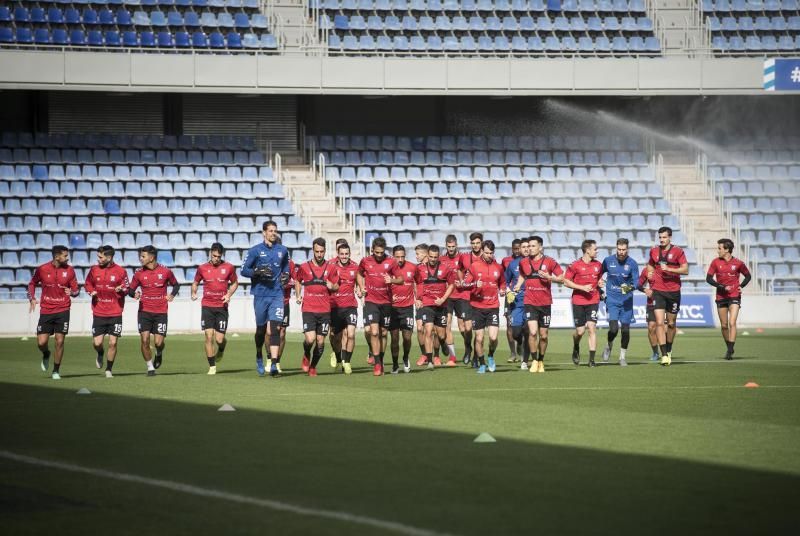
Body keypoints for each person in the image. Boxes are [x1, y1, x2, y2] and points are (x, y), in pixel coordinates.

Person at [241, 220, 290, 377]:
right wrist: (256, 272)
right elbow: (243, 270)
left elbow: (286, 268)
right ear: (264, 232)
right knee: (261, 331)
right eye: (270, 231)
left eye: (275, 230)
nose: (273, 233)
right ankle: (258, 354)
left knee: (275, 328)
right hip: (260, 295)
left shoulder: (283, 250)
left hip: (277, 294)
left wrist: (286, 275)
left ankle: (274, 364)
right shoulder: (255, 251)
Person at [28, 245, 80, 380]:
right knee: (41, 342)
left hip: (63, 309)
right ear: (57, 256)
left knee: (59, 341)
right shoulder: (42, 269)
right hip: (46, 310)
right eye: (65, 256)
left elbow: (76, 289)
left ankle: (56, 371)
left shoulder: (70, 270)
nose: (67, 258)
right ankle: (46, 354)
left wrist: (73, 293)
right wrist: (32, 298)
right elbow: (32, 283)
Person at [513, 235, 563, 373]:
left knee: (544, 335)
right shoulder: (523, 262)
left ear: (540, 247)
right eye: (528, 246)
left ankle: (541, 360)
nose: (530, 248)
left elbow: (561, 277)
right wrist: (518, 285)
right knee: (533, 332)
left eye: (533, 246)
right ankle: (534, 360)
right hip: (530, 302)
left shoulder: (550, 262)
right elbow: (523, 275)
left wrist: (549, 277)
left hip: (545, 303)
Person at [128, 245, 180, 376]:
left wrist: (172, 295)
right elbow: (130, 289)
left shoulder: (166, 272)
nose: (140, 258)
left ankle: (159, 352)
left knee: (158, 342)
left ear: (151, 258)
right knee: (144, 340)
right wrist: (134, 294)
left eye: (143, 256)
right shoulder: (139, 273)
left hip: (161, 312)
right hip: (144, 311)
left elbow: (176, 285)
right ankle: (150, 367)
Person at [191, 242, 239, 375]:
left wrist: (228, 294)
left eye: (218, 256)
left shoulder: (229, 267)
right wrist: (193, 293)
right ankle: (212, 366)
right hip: (207, 306)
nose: (216, 258)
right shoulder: (202, 268)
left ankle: (222, 348)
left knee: (219, 339)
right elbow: (195, 283)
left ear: (222, 255)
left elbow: (235, 283)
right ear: (210, 254)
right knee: (208, 336)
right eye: (214, 256)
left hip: (222, 307)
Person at [294, 238, 339, 377]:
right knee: (310, 339)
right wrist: (298, 294)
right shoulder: (304, 267)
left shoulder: (331, 267)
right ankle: (306, 354)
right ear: (313, 251)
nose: (319, 254)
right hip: (308, 308)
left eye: (322, 251)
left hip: (325, 310)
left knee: (320, 342)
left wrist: (333, 286)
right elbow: (297, 280)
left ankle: (313, 366)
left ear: (325, 251)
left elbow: (337, 285)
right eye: (317, 251)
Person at [645, 226, 689, 366]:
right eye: (660, 237)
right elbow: (650, 265)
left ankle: (669, 349)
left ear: (670, 237)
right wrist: (650, 273)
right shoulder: (654, 251)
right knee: (659, 322)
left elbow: (685, 269)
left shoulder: (678, 251)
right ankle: (663, 354)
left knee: (671, 324)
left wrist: (669, 268)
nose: (662, 240)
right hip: (658, 290)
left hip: (674, 292)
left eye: (664, 237)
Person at [84, 245, 129, 378]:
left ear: (109, 257)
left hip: (115, 312)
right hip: (99, 312)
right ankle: (100, 353)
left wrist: (122, 289)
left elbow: (127, 287)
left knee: (113, 342)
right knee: (97, 343)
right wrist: (91, 291)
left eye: (101, 257)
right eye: (98, 256)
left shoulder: (121, 271)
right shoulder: (93, 270)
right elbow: (87, 283)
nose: (98, 259)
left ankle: (109, 369)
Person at [462, 240, 506, 374]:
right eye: (486, 253)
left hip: (493, 306)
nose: (489, 255)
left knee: (493, 338)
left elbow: (502, 283)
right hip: (477, 307)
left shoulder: (498, 267)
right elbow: (464, 284)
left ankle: (491, 356)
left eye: (491, 253)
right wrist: (475, 284)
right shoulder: (474, 266)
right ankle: (481, 364)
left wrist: (503, 290)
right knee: (479, 338)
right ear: (482, 251)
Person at [706, 238, 751, 360]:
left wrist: (741, 286)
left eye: (719, 248)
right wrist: (721, 286)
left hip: (734, 295)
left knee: (732, 323)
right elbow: (708, 278)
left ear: (727, 249)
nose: (718, 251)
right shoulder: (715, 262)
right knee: (724, 325)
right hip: (721, 296)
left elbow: (748, 276)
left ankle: (730, 350)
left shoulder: (738, 263)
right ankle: (729, 347)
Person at [357, 236, 396, 376]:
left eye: (382, 252)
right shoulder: (365, 261)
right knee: (374, 332)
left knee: (384, 332)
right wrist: (361, 287)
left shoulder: (391, 261)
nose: (379, 255)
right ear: (372, 250)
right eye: (377, 252)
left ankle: (381, 359)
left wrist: (392, 280)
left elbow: (401, 279)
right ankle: (378, 364)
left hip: (386, 301)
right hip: (371, 301)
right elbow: (359, 274)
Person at [414, 245, 456, 370]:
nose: (432, 259)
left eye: (435, 257)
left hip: (441, 305)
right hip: (427, 304)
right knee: (428, 330)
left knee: (441, 334)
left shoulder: (445, 268)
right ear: (427, 255)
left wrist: (443, 299)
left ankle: (442, 345)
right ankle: (430, 360)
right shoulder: (420, 269)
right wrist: (417, 299)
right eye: (431, 256)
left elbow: (452, 285)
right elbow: (415, 284)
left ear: (439, 256)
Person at [563, 240, 604, 367]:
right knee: (580, 332)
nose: (597, 251)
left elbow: (600, 280)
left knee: (592, 328)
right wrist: (582, 287)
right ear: (587, 250)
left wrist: (600, 284)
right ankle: (576, 345)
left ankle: (591, 360)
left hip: (593, 300)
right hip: (578, 301)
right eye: (595, 249)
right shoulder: (574, 265)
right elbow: (566, 282)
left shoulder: (598, 265)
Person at [601, 238, 639, 367]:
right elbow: (597, 274)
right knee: (613, 329)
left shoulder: (632, 263)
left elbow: (636, 282)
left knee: (626, 330)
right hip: (612, 299)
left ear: (627, 249)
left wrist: (628, 288)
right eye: (619, 249)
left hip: (627, 301)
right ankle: (609, 345)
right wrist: (599, 282)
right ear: (616, 248)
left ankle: (622, 357)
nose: (621, 252)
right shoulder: (608, 261)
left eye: (624, 250)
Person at [454, 232, 484, 366]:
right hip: (466, 296)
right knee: (467, 328)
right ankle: (468, 348)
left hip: (481, 299)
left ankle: (477, 358)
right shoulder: (464, 257)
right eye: (473, 243)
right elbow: (459, 269)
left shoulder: (487, 257)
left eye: (478, 243)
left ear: (482, 243)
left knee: (478, 331)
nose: (475, 245)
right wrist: (461, 281)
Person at [330, 242, 359, 374]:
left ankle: (347, 362)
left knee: (351, 334)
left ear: (350, 254)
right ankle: (337, 356)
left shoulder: (355, 267)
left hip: (351, 306)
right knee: (335, 337)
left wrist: (360, 290)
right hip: (334, 306)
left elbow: (360, 283)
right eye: (342, 254)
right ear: (338, 254)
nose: (344, 256)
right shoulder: (331, 266)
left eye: (346, 254)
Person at [389, 245, 417, 374]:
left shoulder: (412, 267)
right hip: (393, 308)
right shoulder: (388, 269)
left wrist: (419, 297)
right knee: (394, 338)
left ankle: (405, 358)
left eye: (402, 256)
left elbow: (419, 282)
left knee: (407, 337)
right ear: (392, 256)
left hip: (407, 307)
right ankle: (395, 364)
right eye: (397, 257)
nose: (400, 259)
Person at [504, 238, 529, 366]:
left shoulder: (535, 263)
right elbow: (505, 281)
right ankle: (518, 343)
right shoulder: (513, 264)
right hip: (516, 301)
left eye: (527, 247)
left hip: (531, 302)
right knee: (515, 331)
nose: (524, 249)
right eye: (522, 247)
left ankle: (526, 358)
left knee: (530, 330)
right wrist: (508, 291)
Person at [502, 238, 523, 362]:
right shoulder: (506, 261)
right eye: (514, 249)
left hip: (521, 298)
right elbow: (503, 279)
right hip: (510, 298)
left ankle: (520, 344)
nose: (516, 251)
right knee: (509, 325)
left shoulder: (525, 261)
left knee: (520, 326)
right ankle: (513, 353)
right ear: (512, 249)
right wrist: (506, 290)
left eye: (518, 248)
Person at [277, 235, 295, 373]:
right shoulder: (263, 261)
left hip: (284, 302)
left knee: (282, 333)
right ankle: (269, 357)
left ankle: (276, 361)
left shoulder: (290, 264)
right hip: (268, 300)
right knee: (269, 332)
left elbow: (296, 281)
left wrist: (286, 283)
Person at [413, 243, 432, 365]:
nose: (416, 256)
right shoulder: (416, 268)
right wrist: (416, 298)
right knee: (420, 328)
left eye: (417, 254)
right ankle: (424, 354)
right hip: (420, 302)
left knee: (431, 330)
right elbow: (414, 284)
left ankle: (434, 355)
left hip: (431, 302)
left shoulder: (434, 267)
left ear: (425, 254)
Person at [637, 266, 660, 361]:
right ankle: (655, 352)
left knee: (666, 328)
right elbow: (638, 285)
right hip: (652, 302)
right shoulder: (647, 270)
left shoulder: (667, 267)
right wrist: (645, 290)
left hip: (666, 301)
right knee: (651, 327)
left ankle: (667, 350)